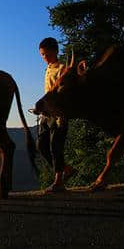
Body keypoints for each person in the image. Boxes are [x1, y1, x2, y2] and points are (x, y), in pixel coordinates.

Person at [36, 38, 76, 193]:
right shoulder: (47, 69)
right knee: (41, 145)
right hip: (46, 114)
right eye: (42, 55)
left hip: (59, 114)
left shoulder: (63, 68)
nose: (44, 57)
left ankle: (59, 182)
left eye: (45, 54)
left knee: (55, 147)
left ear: (55, 51)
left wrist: (63, 114)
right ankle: (66, 169)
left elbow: (65, 93)